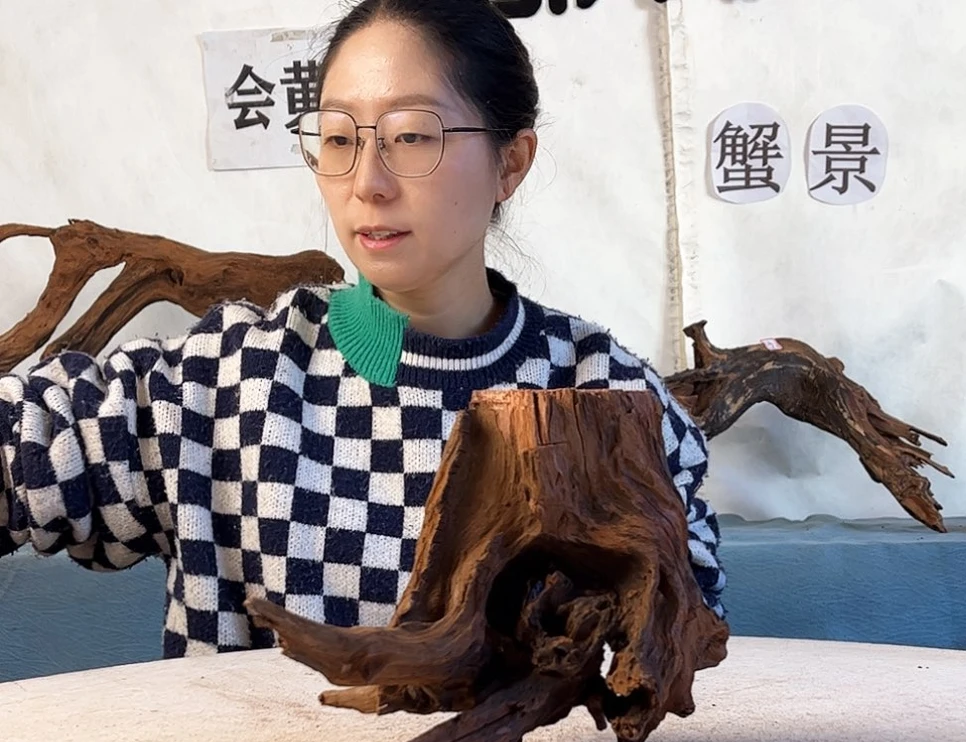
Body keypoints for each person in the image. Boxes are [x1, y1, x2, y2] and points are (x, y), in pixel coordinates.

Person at [0, 0, 725, 658]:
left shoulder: (610, 397)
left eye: (411, 137)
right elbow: (23, 450)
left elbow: (681, 645)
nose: (367, 181)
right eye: (340, 138)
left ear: (511, 162)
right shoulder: (226, 383)